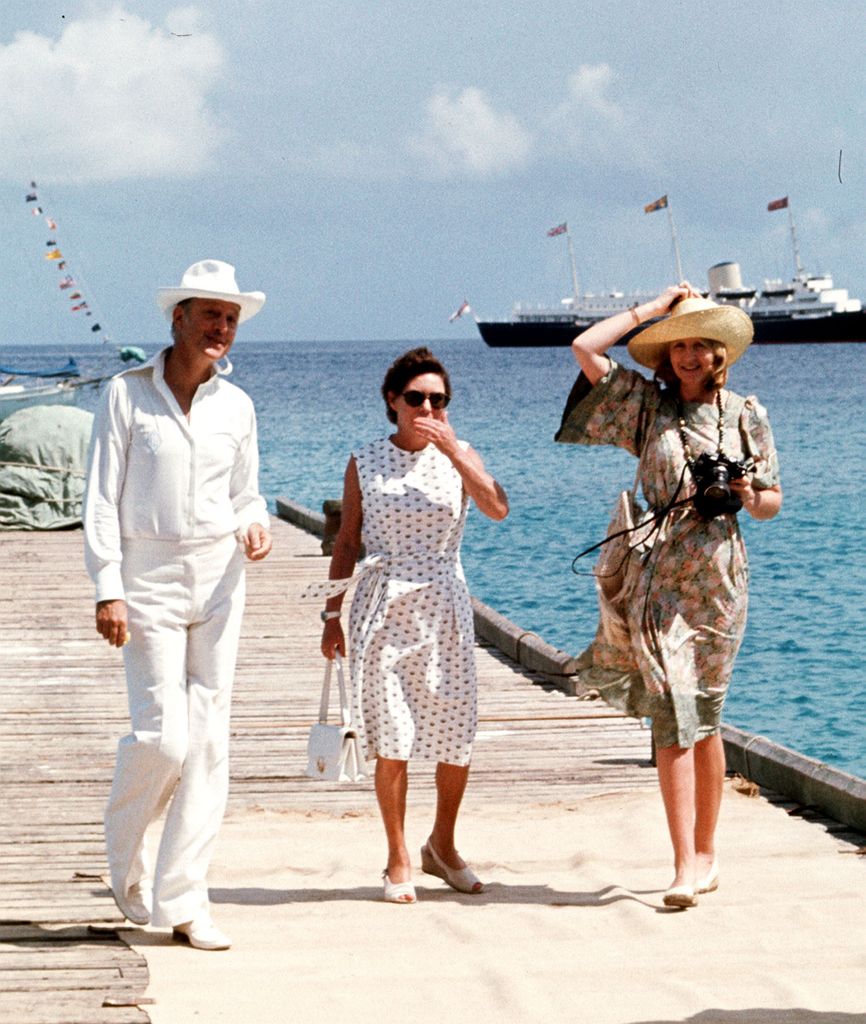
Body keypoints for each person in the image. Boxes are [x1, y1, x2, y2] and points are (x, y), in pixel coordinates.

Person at [556, 283, 781, 908]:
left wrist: (741, 490)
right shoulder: (644, 408)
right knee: (673, 715)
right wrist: (653, 310)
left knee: (704, 716)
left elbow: (771, 502)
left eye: (699, 344)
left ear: (719, 353)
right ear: (665, 353)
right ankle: (683, 862)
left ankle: (707, 854)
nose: (688, 355)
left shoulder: (746, 414)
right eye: (677, 344)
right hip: (658, 580)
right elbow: (584, 346)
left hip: (720, 581)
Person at [83, 260, 272, 949]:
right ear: (179, 319)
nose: (221, 328)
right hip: (148, 576)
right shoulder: (126, 396)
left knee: (210, 744)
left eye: (230, 318)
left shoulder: (239, 406)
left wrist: (256, 523)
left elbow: (247, 491)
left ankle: (187, 901)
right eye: (210, 315)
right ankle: (124, 855)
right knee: (163, 736)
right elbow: (100, 497)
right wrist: (109, 586)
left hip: (221, 577)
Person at [315, 347, 508, 903]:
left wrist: (456, 452)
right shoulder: (366, 459)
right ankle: (397, 855)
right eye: (416, 398)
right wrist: (332, 615)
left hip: (445, 603)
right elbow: (347, 541)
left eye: (438, 399)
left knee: (456, 734)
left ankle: (442, 846)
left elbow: (497, 508)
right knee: (392, 735)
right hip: (382, 602)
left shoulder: (459, 453)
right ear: (392, 402)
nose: (428, 407)